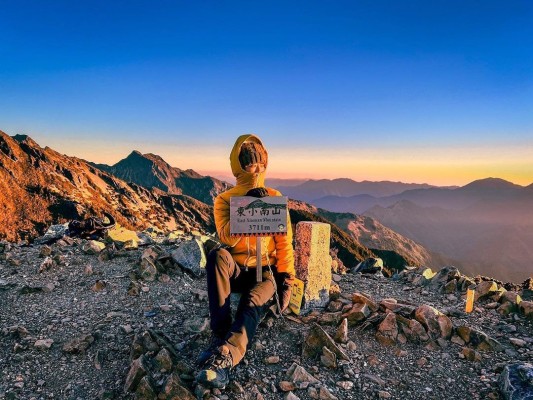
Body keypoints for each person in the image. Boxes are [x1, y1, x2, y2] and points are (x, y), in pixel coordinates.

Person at [196, 134, 295, 389]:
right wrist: (248, 207)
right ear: (239, 167)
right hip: (237, 270)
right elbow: (225, 235)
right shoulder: (224, 200)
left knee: (251, 303)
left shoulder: (274, 196)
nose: (257, 169)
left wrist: (286, 278)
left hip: (265, 272)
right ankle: (220, 331)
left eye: (261, 164)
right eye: (251, 164)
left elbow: (284, 243)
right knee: (218, 255)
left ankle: (226, 355)